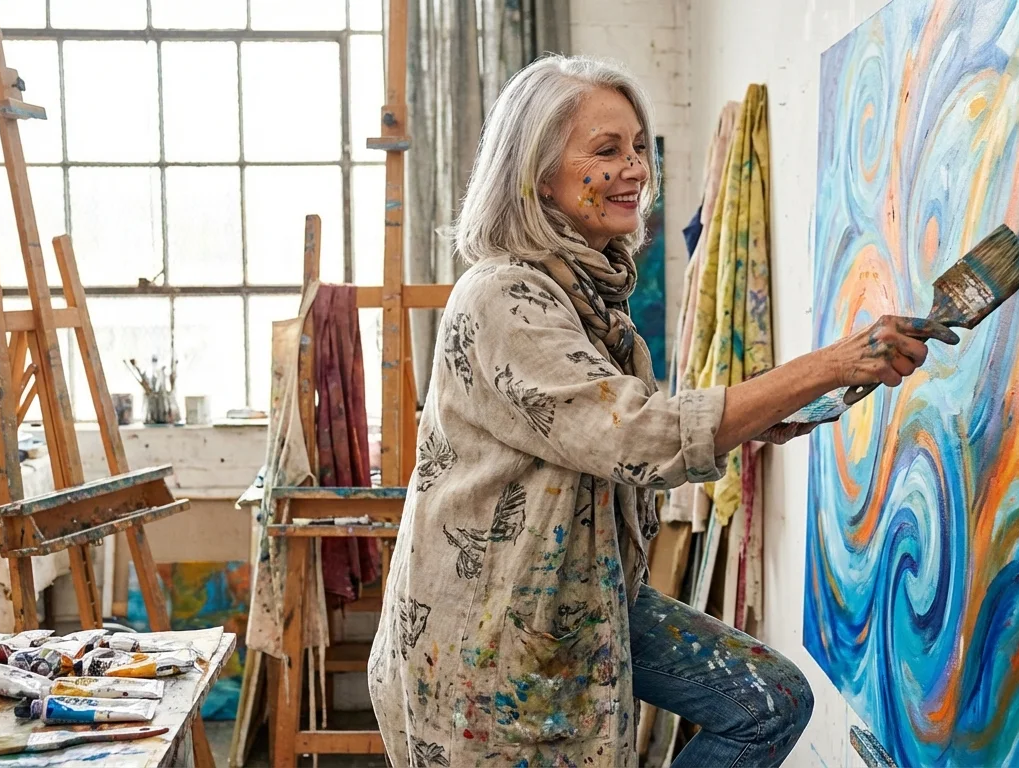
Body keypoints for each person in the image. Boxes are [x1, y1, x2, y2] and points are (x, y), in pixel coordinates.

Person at [367, 54, 959, 768]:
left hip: (586, 596)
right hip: (489, 635)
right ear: (537, 174)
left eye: (639, 147)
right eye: (606, 150)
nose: (636, 168)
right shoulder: (503, 297)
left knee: (766, 700)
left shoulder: (593, 303)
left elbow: (628, 429)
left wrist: (763, 412)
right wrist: (833, 362)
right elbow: (640, 436)